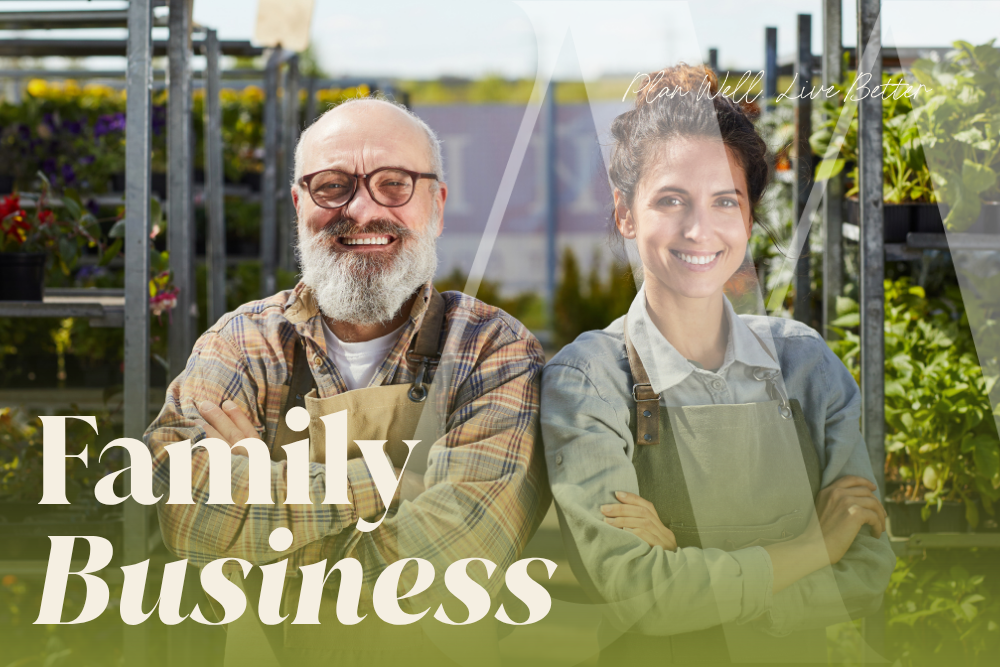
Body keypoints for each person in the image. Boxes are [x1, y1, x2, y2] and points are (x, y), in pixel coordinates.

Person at [143, 96, 549, 665]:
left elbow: (457, 564)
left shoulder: (491, 349)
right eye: (332, 186)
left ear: (436, 205)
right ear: (299, 205)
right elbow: (186, 516)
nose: (360, 210)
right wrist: (399, 480)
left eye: (394, 184)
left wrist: (265, 494)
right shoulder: (243, 341)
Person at [540, 64, 895, 665]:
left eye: (725, 201)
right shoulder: (589, 379)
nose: (699, 228)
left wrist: (685, 571)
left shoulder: (805, 362)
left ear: (748, 218)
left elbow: (866, 569)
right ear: (626, 213)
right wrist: (814, 547)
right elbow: (636, 593)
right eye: (670, 200)